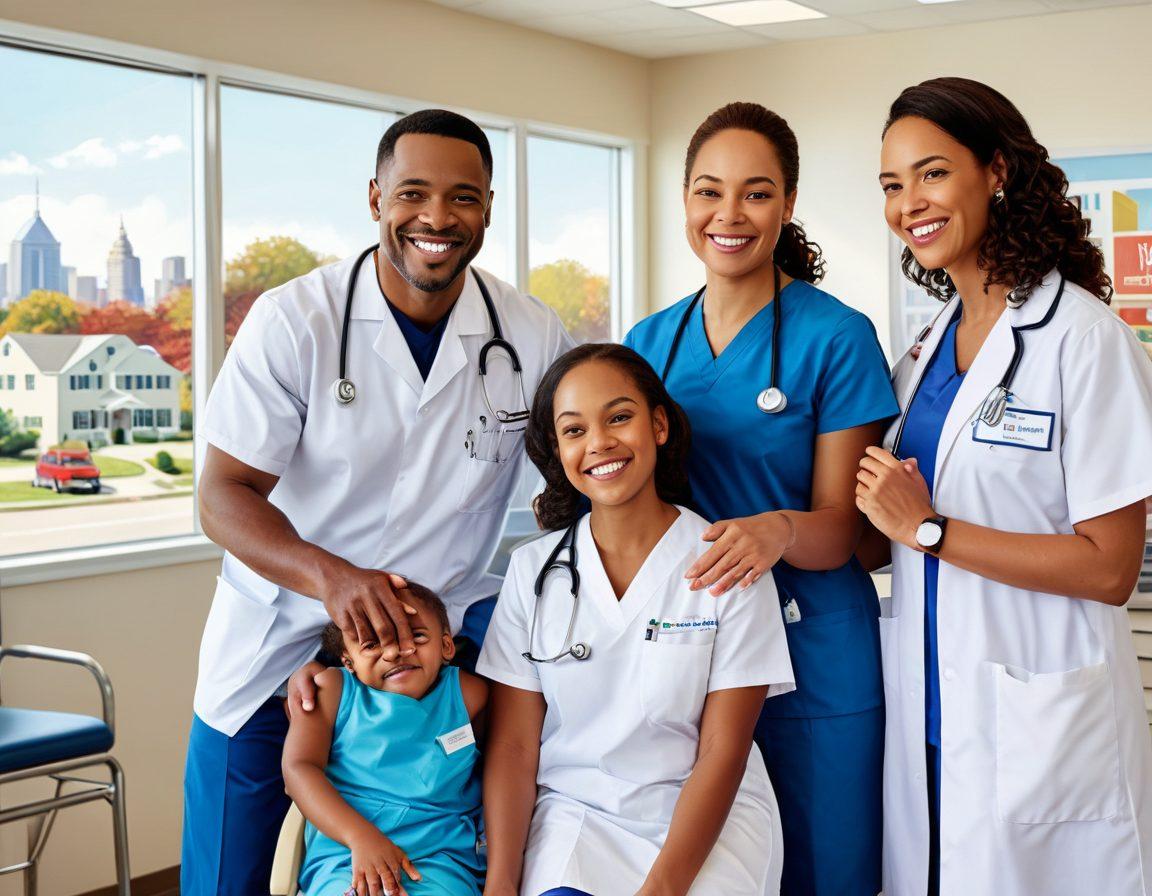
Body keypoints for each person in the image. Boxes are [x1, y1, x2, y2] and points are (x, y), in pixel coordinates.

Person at [183, 109, 572, 895]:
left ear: (490, 207)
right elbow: (222, 498)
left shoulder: (529, 335)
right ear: (374, 198)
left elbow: (570, 485)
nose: (437, 217)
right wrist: (332, 580)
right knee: (224, 877)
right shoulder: (296, 320)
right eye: (413, 193)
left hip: (427, 659)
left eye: (463, 197)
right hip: (280, 637)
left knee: (433, 867)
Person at [859, 76, 1152, 896]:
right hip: (931, 714)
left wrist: (930, 531)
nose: (907, 202)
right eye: (891, 184)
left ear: (995, 171)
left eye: (931, 173)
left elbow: (1109, 567)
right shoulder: (922, 353)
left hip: (1039, 718)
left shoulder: (1083, 341)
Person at [624, 102, 898, 896]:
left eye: (756, 193)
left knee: (825, 872)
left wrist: (777, 530)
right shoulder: (648, 345)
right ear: (684, 202)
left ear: (787, 205)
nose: (729, 215)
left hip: (813, 650)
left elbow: (846, 532)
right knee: (711, 872)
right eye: (709, 192)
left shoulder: (834, 336)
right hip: (689, 652)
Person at [479, 343, 795, 896]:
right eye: (574, 430)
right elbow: (513, 747)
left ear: (659, 425)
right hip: (577, 818)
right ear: (557, 449)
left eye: (619, 417)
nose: (599, 443)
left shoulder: (729, 563)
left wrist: (662, 889)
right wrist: (501, 883)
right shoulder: (532, 572)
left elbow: (724, 750)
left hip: (702, 823)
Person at [283, 582, 486, 896]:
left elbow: (507, 760)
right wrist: (360, 838)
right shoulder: (332, 691)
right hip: (347, 854)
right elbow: (298, 769)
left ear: (446, 646)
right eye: (371, 644)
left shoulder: (471, 695)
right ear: (348, 662)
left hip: (438, 859)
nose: (395, 652)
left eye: (417, 636)